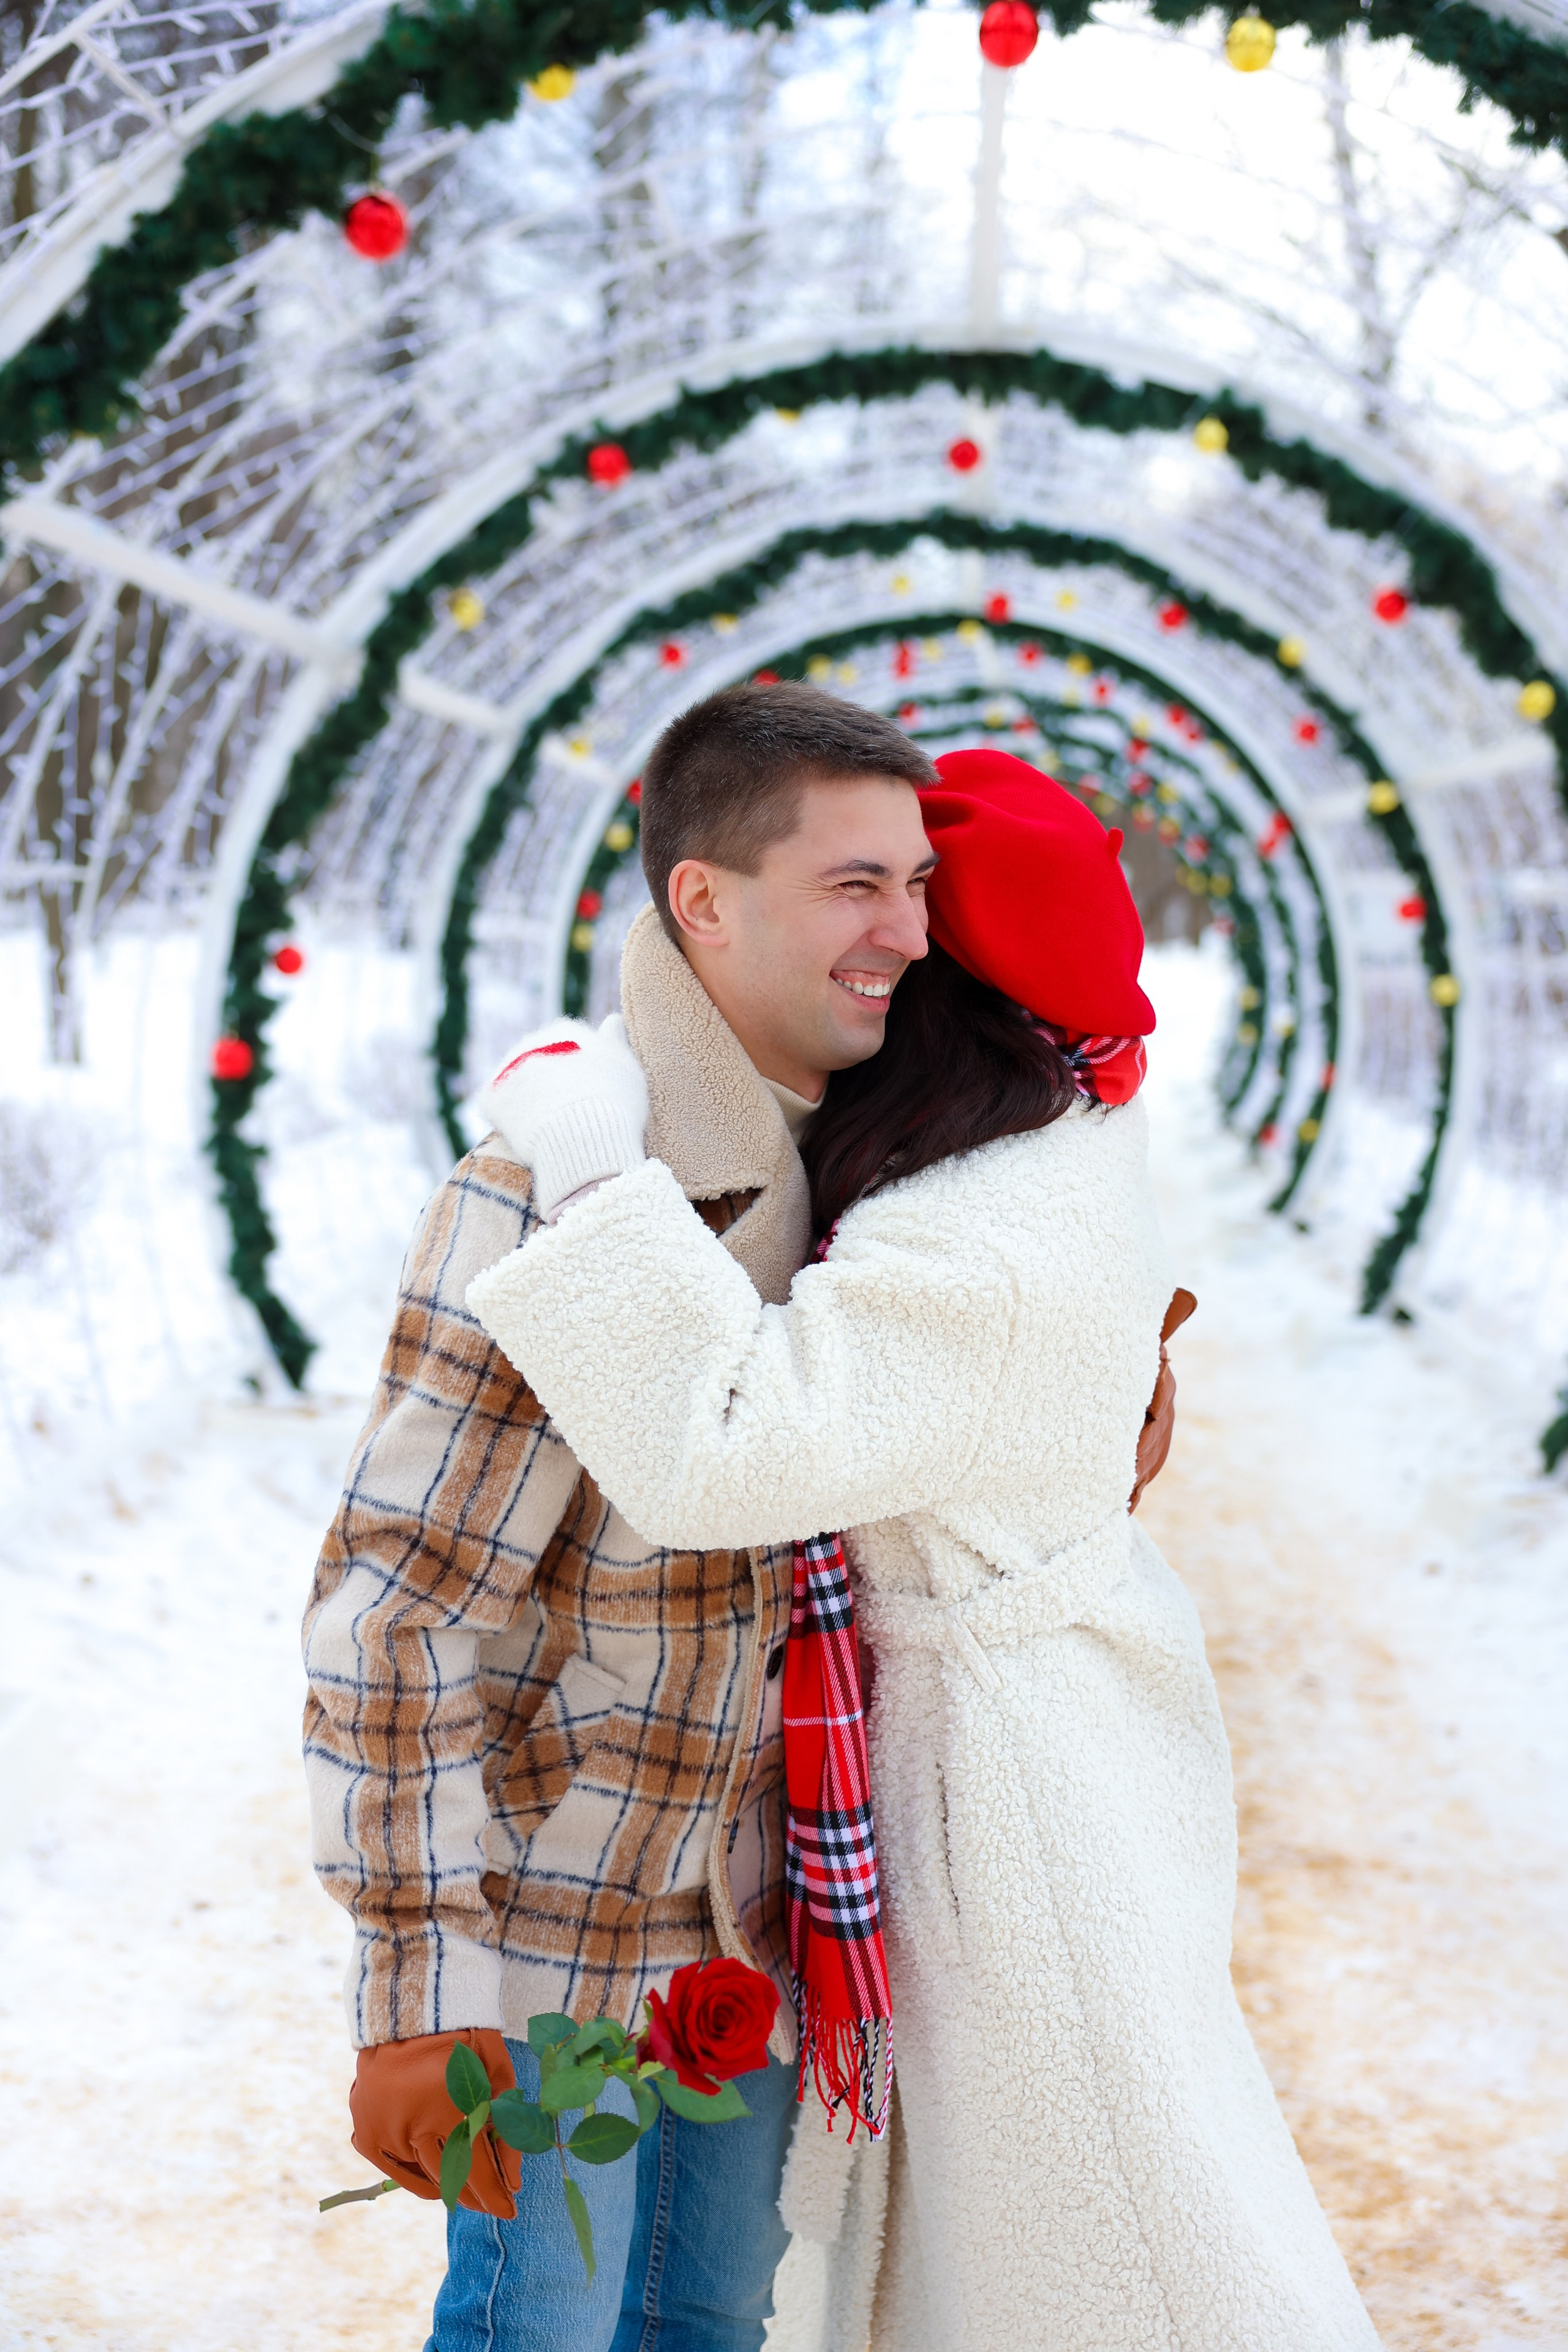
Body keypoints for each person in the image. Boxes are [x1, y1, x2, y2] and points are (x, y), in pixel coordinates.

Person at [464, 745, 1382, 2351]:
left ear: (941, 1001)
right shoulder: (1039, 1132)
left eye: (899, 939)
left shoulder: (976, 1234)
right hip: (1032, 1736)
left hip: (1015, 1804)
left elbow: (718, 1444)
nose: (864, 972)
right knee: (1054, 2212)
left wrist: (597, 1166)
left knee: (1096, 2229)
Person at [302, 686, 1184, 2352]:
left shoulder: (888, 1178)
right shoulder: (555, 1189)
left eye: (920, 887)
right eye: (856, 885)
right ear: (702, 900)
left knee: (709, 2323)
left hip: (770, 1925)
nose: (911, 933)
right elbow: (404, 1599)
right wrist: (418, 1994)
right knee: (538, 2327)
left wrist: (1077, 1415)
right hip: (567, 1923)